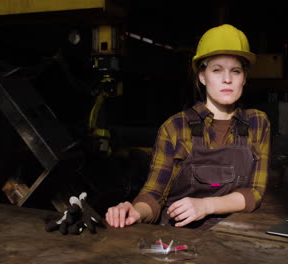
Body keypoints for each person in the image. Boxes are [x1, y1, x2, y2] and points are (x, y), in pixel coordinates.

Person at [105, 24, 270, 229]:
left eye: (235, 71)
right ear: (202, 76)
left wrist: (206, 205)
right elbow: (155, 193)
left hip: (232, 239)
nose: (227, 79)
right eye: (217, 70)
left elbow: (254, 193)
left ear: (244, 77)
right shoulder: (176, 127)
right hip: (178, 239)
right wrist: (135, 211)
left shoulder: (257, 123)